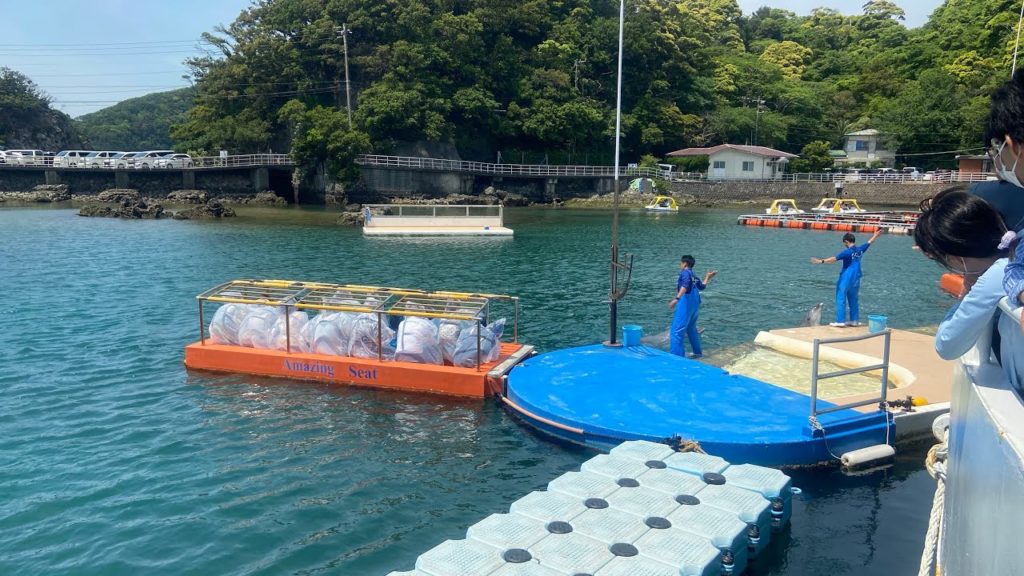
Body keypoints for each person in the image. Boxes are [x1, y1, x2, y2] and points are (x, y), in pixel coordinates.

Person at [914, 188, 1021, 389]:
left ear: (955, 257)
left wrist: (967, 294)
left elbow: (947, 345)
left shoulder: (1000, 273)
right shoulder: (1015, 257)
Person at [810, 229, 882, 327]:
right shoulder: (860, 250)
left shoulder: (847, 252)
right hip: (856, 278)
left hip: (846, 278)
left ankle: (840, 321)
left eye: (844, 242)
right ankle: (854, 320)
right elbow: (869, 242)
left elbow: (833, 259)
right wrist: (875, 235)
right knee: (853, 299)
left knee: (840, 298)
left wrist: (820, 261)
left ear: (846, 241)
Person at [668, 255, 716, 358]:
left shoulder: (685, 272)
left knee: (676, 331)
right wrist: (707, 277)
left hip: (686, 304)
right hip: (694, 305)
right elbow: (702, 287)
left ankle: (676, 358)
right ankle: (698, 353)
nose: (680, 265)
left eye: (680, 263)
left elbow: (685, 286)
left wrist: (676, 299)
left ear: (685, 263)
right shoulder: (693, 275)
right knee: (691, 329)